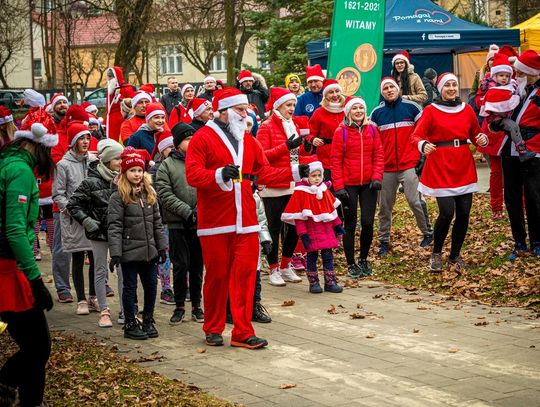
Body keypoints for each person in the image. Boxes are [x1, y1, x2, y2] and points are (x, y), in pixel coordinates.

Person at [185, 87, 309, 349]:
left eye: (245, 110)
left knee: (245, 277)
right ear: (224, 112)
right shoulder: (202, 138)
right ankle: (213, 327)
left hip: (247, 221)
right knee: (217, 276)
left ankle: (242, 331)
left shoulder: (249, 142)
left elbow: (264, 173)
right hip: (216, 222)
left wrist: (297, 172)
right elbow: (193, 175)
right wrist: (219, 175)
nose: (245, 114)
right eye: (240, 110)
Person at [0, 108, 55, 407]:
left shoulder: (9, 162)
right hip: (8, 268)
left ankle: (31, 400)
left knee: (36, 345)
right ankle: (6, 384)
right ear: (37, 144)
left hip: (9, 265)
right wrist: (35, 280)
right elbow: (14, 230)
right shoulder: (20, 170)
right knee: (37, 346)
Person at [411, 73, 489, 272]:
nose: (452, 89)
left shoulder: (467, 109)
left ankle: (455, 255)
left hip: (463, 164)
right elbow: (416, 136)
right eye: (448, 86)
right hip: (441, 165)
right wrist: (423, 144)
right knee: (447, 213)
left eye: (454, 85)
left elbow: (475, 133)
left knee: (463, 214)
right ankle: (436, 252)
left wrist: (482, 139)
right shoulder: (431, 110)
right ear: (441, 89)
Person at [108, 147, 167, 340]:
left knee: (151, 285)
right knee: (130, 287)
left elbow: (157, 223)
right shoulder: (118, 196)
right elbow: (114, 226)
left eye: (139, 170)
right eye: (132, 170)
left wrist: (162, 247)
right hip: (129, 250)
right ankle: (130, 322)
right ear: (125, 172)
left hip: (149, 250)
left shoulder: (149, 194)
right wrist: (115, 252)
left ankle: (148, 319)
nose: (137, 174)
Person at [370, 77, 433, 255]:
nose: (389, 90)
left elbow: (423, 131)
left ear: (397, 89)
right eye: (386, 88)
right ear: (382, 92)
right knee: (384, 207)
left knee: (415, 201)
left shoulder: (412, 107)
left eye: (392, 87)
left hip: (409, 164)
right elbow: (373, 142)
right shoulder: (376, 113)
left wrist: (422, 157)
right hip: (386, 167)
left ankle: (428, 233)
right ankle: (384, 241)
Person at [257, 87, 312, 286]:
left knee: (294, 226)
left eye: (293, 105)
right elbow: (262, 156)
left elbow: (296, 155)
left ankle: (286, 264)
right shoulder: (266, 126)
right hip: (273, 184)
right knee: (274, 227)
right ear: (278, 106)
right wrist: (286, 147)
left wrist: (307, 149)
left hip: (292, 181)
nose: (291, 108)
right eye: (288, 105)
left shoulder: (293, 125)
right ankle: (272, 268)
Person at [67, 139, 124, 328]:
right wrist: (87, 221)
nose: (121, 162)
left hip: (119, 233)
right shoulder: (90, 182)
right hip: (98, 233)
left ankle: (126, 310)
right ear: (107, 160)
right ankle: (104, 311)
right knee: (100, 271)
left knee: (124, 272)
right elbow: (73, 204)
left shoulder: (124, 179)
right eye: (117, 158)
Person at [156, 123, 204, 324]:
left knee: (197, 266)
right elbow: (164, 193)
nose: (191, 141)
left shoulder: (202, 160)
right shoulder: (167, 165)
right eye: (186, 139)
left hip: (199, 222)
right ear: (177, 144)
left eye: (193, 138)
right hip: (177, 223)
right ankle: (179, 306)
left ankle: (196, 305)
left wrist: (199, 211)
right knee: (180, 265)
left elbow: (207, 185)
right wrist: (186, 211)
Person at [331, 97, 384, 277]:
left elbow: (378, 154)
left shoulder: (372, 129)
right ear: (348, 112)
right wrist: (338, 187)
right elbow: (335, 161)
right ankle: (351, 263)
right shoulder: (341, 132)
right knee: (350, 224)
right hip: (348, 185)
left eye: (361, 107)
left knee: (368, 222)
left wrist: (377, 177)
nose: (359, 111)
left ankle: (363, 259)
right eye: (355, 108)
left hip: (369, 184)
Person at [53, 122, 98, 315]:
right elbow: (58, 194)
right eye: (81, 138)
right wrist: (73, 210)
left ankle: (94, 297)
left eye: (88, 137)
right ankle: (80, 298)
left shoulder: (94, 161)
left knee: (96, 260)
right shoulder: (63, 165)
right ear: (73, 142)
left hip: (95, 217)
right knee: (78, 259)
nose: (86, 141)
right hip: (75, 219)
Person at [500, 50, 540, 258]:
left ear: (532, 73)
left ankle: (537, 240)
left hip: (533, 152)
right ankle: (519, 242)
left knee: (534, 198)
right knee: (512, 199)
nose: (517, 76)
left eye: (521, 72)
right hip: (509, 151)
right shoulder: (514, 90)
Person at [281, 161, 344, 293]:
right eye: (313, 175)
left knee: (328, 256)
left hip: (326, 230)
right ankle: (313, 282)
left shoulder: (324, 190)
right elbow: (299, 218)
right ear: (307, 177)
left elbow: (331, 210)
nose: (316, 178)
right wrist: (303, 234)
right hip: (311, 232)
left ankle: (330, 281)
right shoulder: (301, 192)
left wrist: (337, 225)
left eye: (319, 175)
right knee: (312, 257)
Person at [480, 53, 536, 161]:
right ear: (494, 76)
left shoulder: (511, 86)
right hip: (497, 120)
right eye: (501, 75)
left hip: (509, 126)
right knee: (513, 127)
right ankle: (522, 151)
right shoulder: (493, 90)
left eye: (507, 76)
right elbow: (500, 105)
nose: (504, 78)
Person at [148, 131, 175, 305]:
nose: (172, 150)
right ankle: (166, 288)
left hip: (179, 218)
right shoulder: (155, 170)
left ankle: (184, 286)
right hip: (163, 219)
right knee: (164, 255)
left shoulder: (183, 164)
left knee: (180, 255)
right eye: (169, 147)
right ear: (162, 149)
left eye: (174, 146)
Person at [309, 79, 345, 179]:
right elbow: (310, 133)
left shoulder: (348, 109)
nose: (335, 95)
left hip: (346, 155)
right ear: (325, 95)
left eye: (337, 91)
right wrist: (313, 139)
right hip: (326, 158)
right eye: (331, 92)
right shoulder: (319, 112)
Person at [104, 66, 135, 142]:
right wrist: (104, 122)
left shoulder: (127, 88)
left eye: (110, 78)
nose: (108, 80)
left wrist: (119, 96)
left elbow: (130, 104)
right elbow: (108, 109)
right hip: (111, 122)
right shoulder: (111, 90)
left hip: (121, 121)